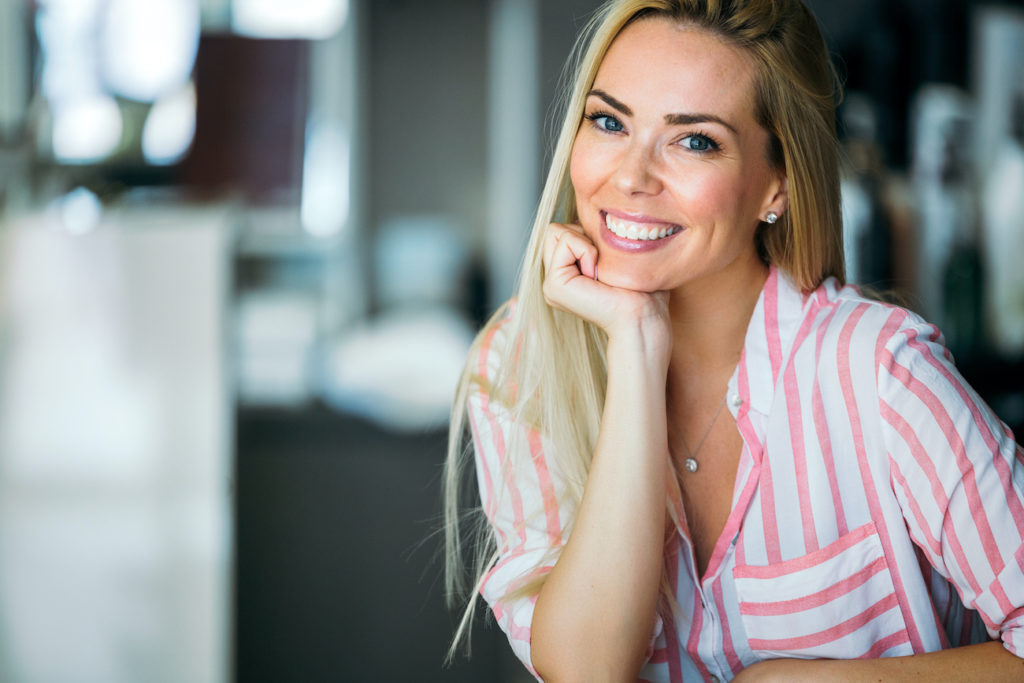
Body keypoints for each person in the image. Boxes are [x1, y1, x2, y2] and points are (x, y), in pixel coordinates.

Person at [443, 0, 1024, 680]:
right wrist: (635, 344)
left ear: (774, 186)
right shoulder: (520, 364)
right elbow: (588, 671)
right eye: (609, 121)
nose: (630, 177)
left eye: (695, 141)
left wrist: (818, 679)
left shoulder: (880, 372)